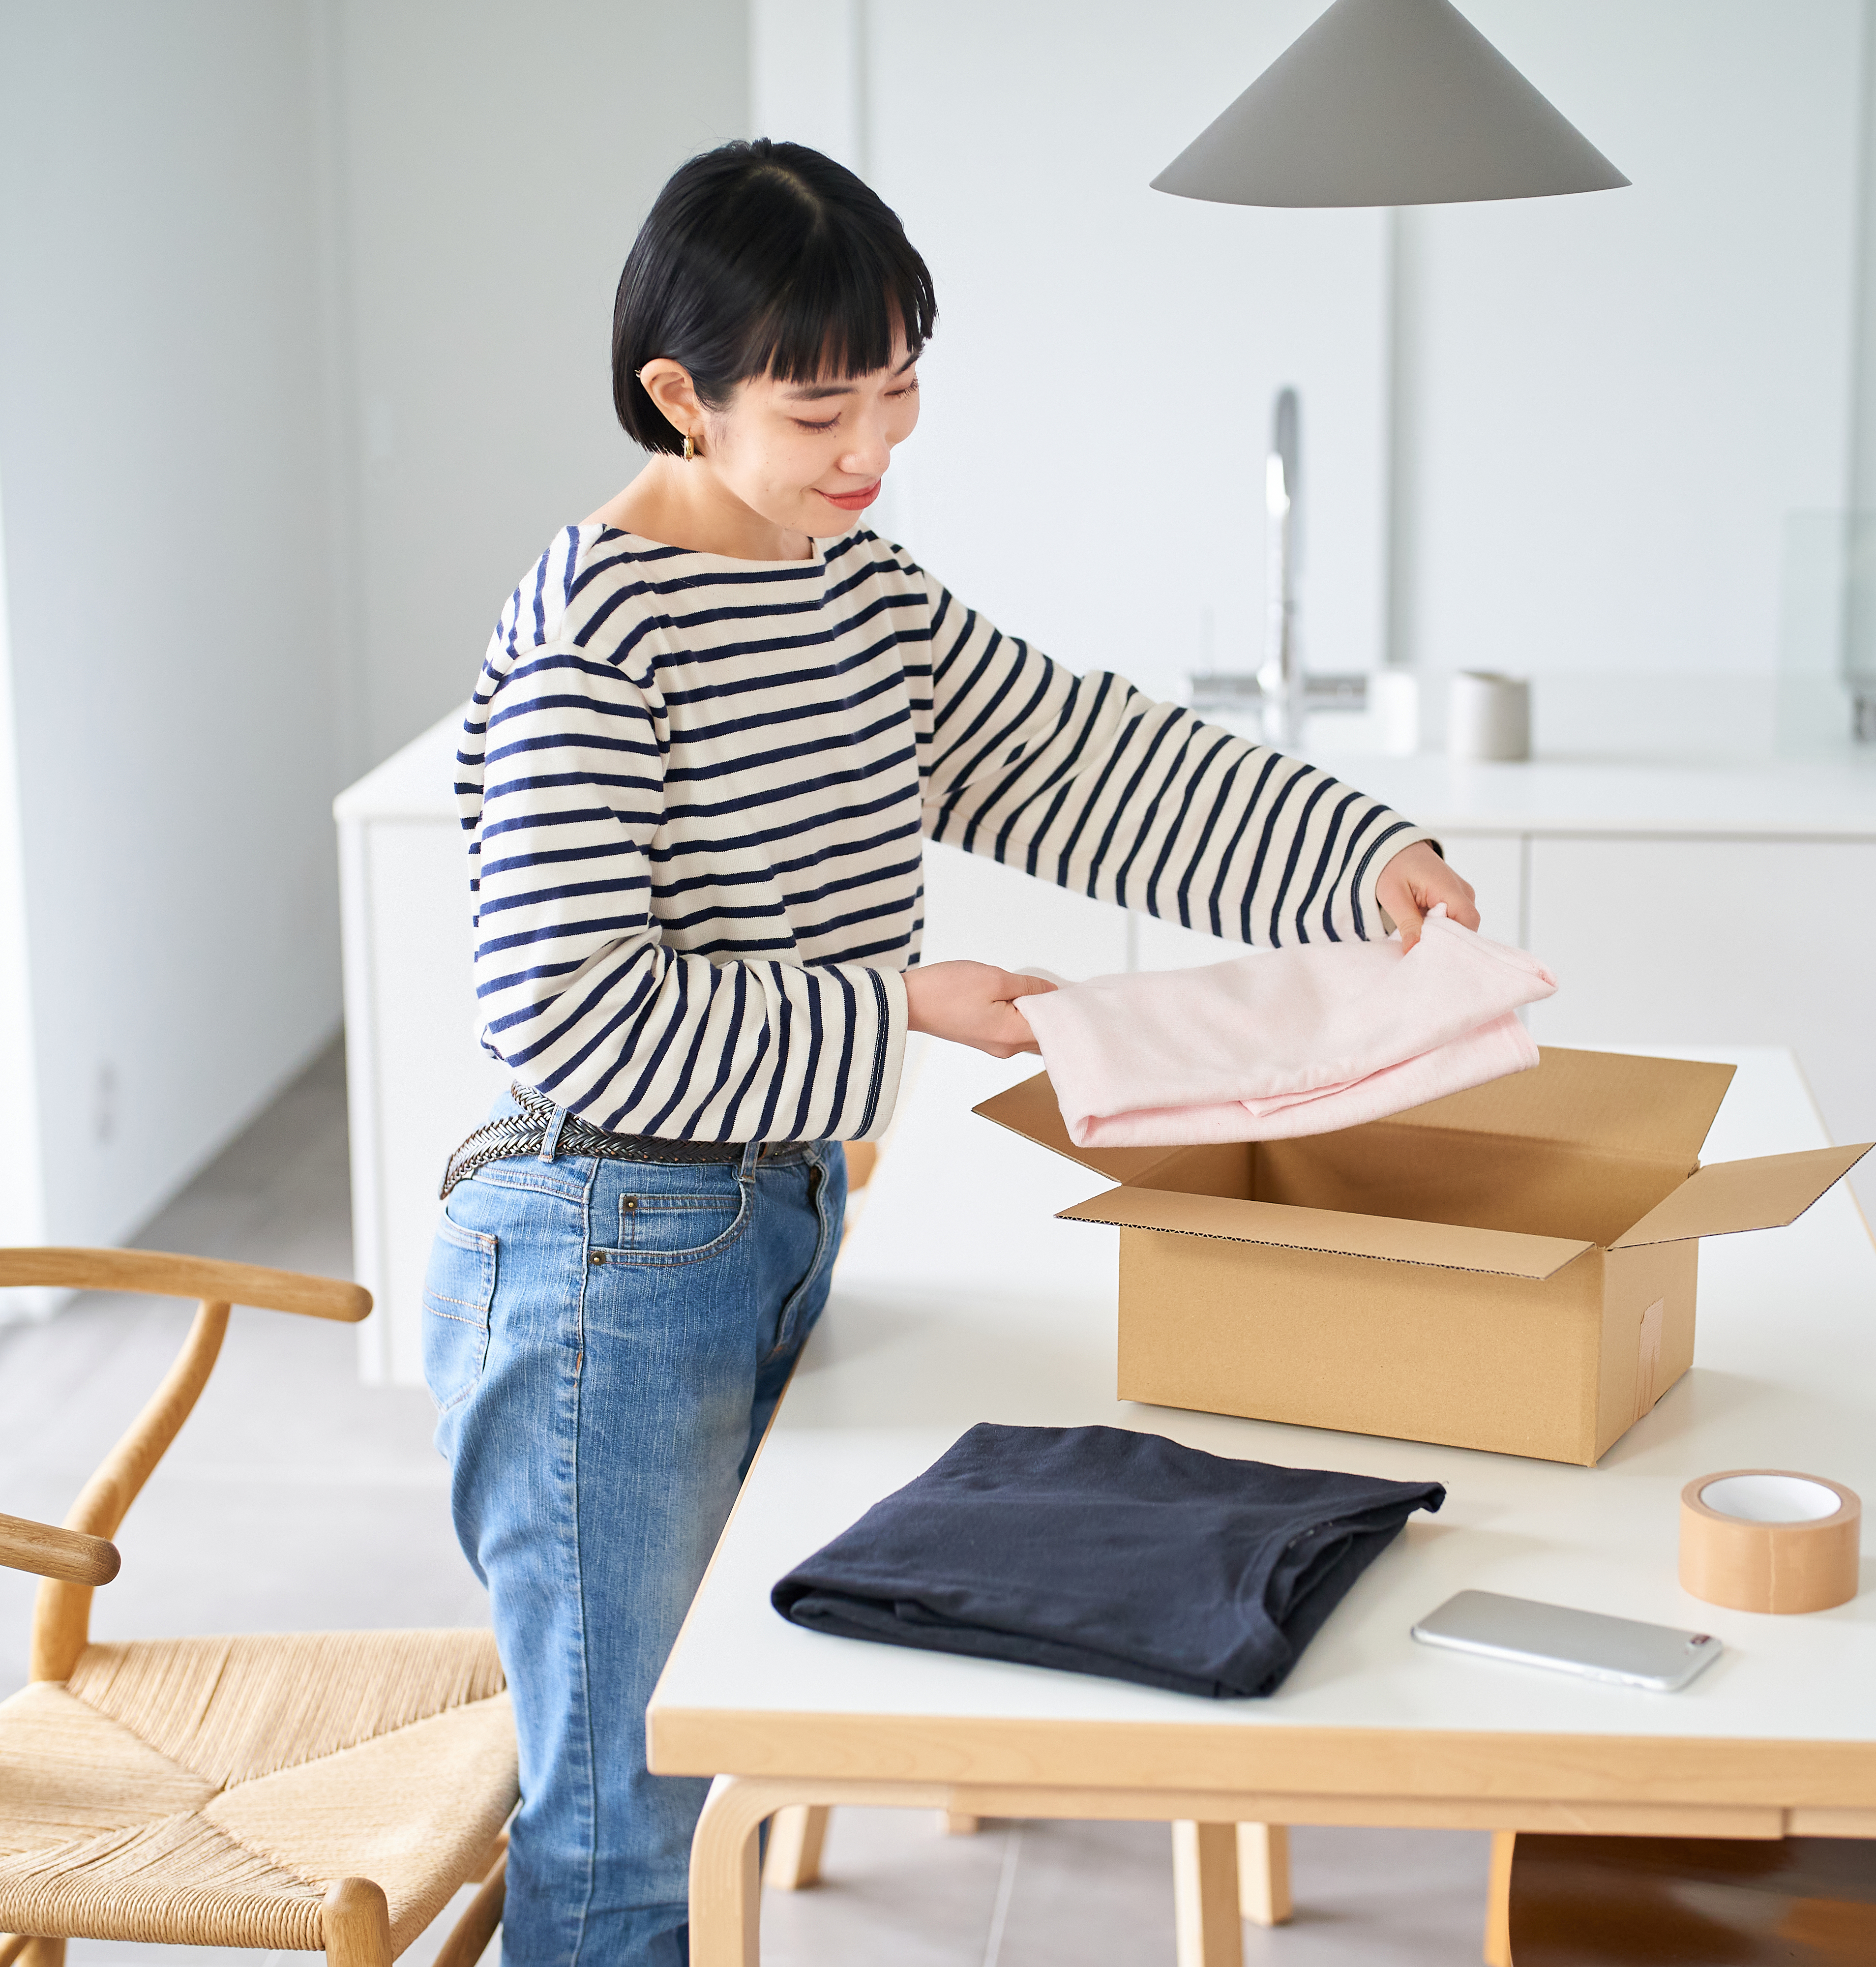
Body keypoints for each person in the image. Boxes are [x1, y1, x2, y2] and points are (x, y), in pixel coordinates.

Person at [426, 137, 1478, 1966]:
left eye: (899, 391)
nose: (870, 450)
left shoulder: (854, 590)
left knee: (715, 1751)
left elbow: (1082, 759)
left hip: (770, 1214)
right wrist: (891, 1004)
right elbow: (563, 1009)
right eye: (822, 405)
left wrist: (1350, 851)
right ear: (679, 395)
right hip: (603, 1253)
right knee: (622, 1821)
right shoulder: (600, 627)